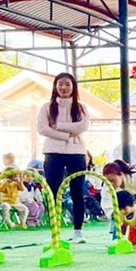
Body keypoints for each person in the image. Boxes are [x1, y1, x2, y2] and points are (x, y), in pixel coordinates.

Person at [38, 73, 90, 243]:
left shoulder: (81, 108)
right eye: (60, 84)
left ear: (73, 87)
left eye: (67, 84)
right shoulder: (47, 107)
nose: (64, 88)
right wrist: (68, 135)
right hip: (53, 153)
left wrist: (59, 126)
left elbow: (83, 126)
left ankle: (78, 231)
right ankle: (54, 231)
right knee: (53, 192)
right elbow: (43, 129)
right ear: (55, 86)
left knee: (77, 192)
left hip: (77, 153)